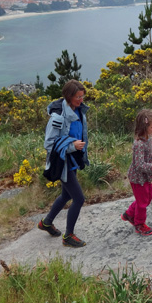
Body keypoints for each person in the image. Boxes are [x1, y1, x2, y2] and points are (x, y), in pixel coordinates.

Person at [37, 79, 89, 247]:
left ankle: (46, 223)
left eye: (82, 96)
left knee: (67, 195)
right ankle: (68, 236)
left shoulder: (78, 110)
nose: (81, 100)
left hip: (73, 160)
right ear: (68, 96)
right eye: (78, 97)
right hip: (63, 162)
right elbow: (49, 144)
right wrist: (71, 146)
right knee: (79, 199)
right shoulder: (58, 117)